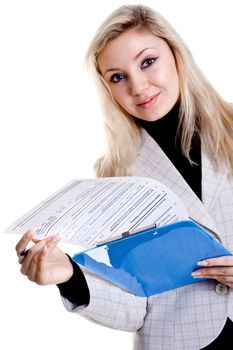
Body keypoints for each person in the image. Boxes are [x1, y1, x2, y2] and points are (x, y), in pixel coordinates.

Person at [15, 4, 233, 349]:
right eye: (118, 77)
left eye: (148, 62)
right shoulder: (115, 175)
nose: (138, 86)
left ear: (176, 54)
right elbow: (135, 305)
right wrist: (70, 276)